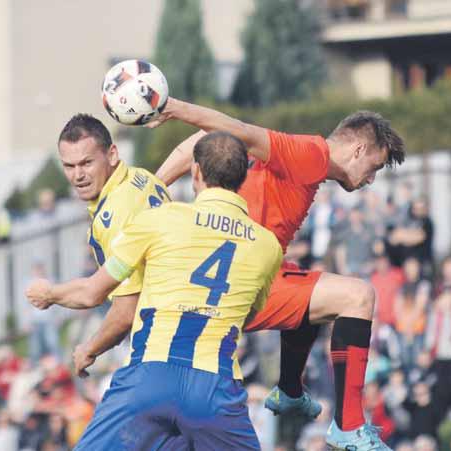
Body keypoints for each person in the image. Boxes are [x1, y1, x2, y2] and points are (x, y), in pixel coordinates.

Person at [147, 97, 405, 449]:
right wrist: (173, 107)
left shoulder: (304, 163)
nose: (370, 180)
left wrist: (152, 186)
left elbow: (201, 142)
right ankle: (348, 425)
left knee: (313, 287)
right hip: (239, 284)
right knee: (358, 296)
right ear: (358, 149)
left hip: (231, 278)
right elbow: (232, 129)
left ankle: (289, 390)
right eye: (374, 168)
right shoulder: (311, 154)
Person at [26, 132, 283, 450]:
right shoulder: (268, 246)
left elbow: (93, 291)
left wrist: (50, 294)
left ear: (196, 172)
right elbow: (249, 314)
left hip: (151, 376)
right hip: (215, 388)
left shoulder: (160, 220)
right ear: (243, 176)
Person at [55, 113, 202, 377]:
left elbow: (125, 311)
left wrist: (88, 349)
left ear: (112, 155)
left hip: (163, 349)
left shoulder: (115, 214)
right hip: (190, 339)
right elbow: (198, 140)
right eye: (69, 166)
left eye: (86, 163)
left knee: (108, 419)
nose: (78, 175)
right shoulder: (138, 177)